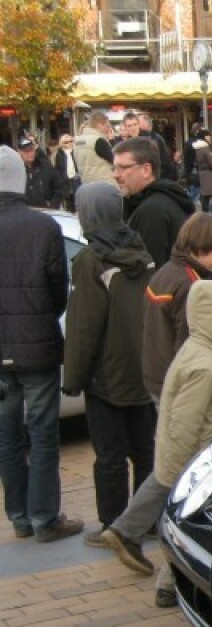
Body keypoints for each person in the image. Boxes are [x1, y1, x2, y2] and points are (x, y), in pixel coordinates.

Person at [102, 279, 212, 607]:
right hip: (196, 463)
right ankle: (171, 583)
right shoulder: (205, 367)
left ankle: (168, 583)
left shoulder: (196, 351)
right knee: (193, 526)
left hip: (194, 460)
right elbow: (186, 424)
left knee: (191, 526)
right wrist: (182, 476)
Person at [62, 182, 156, 545]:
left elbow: (84, 325)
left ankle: (114, 525)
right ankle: (146, 519)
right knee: (145, 450)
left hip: (106, 374)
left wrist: (74, 377)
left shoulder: (90, 260)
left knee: (110, 455)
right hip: (141, 366)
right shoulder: (140, 249)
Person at [0, 145, 80, 543]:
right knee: (42, 430)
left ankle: (18, 514)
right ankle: (44, 516)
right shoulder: (43, 227)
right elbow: (58, 289)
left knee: (7, 433)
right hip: (37, 343)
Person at [141, 213, 212, 400]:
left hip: (159, 374)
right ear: (201, 249)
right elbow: (189, 340)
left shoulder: (167, 272)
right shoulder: (191, 285)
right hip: (182, 384)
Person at [114, 136, 196, 268]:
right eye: (115, 168)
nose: (115, 175)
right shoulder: (159, 200)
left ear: (146, 170)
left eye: (122, 168)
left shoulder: (152, 211)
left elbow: (150, 269)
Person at [74, 110, 117, 185]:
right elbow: (115, 160)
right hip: (105, 184)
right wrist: (112, 141)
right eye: (107, 126)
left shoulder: (77, 141)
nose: (109, 129)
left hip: (86, 184)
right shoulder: (98, 140)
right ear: (100, 125)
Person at [137, 113, 178, 182]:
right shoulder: (152, 138)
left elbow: (162, 161)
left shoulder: (154, 139)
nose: (136, 126)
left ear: (147, 123)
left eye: (137, 123)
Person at [16, 135, 54, 209]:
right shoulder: (16, 169)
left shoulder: (45, 166)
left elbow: (58, 188)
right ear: (19, 152)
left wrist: (52, 205)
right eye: (26, 151)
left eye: (31, 150)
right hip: (25, 211)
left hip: (46, 210)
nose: (30, 153)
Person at [192, 132, 212, 213]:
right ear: (205, 137)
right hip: (209, 174)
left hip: (201, 174)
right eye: (209, 137)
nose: (210, 139)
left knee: (205, 196)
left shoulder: (196, 149)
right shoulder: (206, 149)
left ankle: (205, 214)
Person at [50, 134, 80, 211]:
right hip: (65, 180)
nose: (69, 143)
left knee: (78, 199)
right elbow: (57, 169)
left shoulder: (76, 151)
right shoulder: (59, 154)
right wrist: (60, 180)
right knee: (69, 201)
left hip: (76, 178)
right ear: (62, 144)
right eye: (66, 142)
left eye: (71, 141)